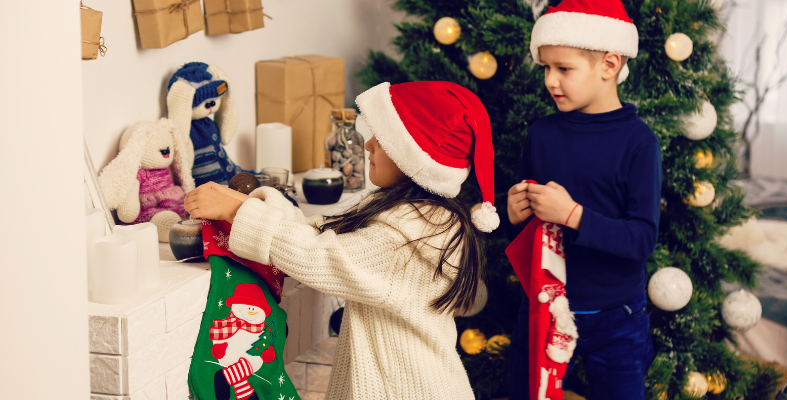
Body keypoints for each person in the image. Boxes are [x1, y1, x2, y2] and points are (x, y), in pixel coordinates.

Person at [185, 81, 500, 399]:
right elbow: (317, 234)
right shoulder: (406, 215)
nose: (368, 145)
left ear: (412, 159)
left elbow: (322, 256)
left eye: (384, 138)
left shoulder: (410, 238)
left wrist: (241, 212)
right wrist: (247, 203)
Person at [506, 0, 662, 398]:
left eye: (564, 69)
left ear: (609, 65)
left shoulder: (639, 143)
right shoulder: (541, 134)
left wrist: (574, 215)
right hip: (544, 309)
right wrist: (515, 211)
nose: (550, 81)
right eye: (546, 68)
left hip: (618, 321)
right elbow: (532, 221)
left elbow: (641, 239)